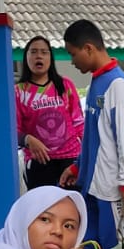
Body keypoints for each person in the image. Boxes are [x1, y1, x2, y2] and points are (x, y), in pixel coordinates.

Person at [60, 19, 124, 249]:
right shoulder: (97, 82)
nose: (72, 62)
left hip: (111, 187)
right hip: (92, 183)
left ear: (89, 48)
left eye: (73, 54)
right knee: (91, 243)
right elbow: (93, 134)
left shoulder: (118, 85)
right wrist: (77, 166)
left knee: (115, 246)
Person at [14, 35, 84, 191]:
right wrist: (27, 139)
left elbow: (79, 122)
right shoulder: (18, 92)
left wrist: (86, 157)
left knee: (71, 203)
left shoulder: (65, 85)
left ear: (50, 58)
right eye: (33, 52)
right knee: (44, 205)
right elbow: (13, 130)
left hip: (70, 159)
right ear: (26, 58)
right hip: (39, 162)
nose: (39, 56)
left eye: (44, 52)